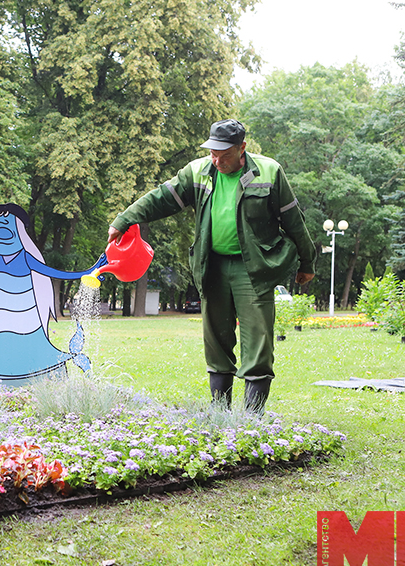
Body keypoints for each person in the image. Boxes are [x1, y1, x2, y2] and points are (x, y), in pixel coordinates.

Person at [107, 119, 315, 414]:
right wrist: (124, 219)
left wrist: (307, 262)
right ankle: (221, 416)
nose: (217, 160)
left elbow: (293, 220)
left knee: (258, 344)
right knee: (216, 342)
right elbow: (161, 198)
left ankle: (251, 422)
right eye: (213, 153)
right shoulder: (198, 171)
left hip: (253, 270)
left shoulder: (269, 172)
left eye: (225, 154)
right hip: (212, 267)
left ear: (242, 148)